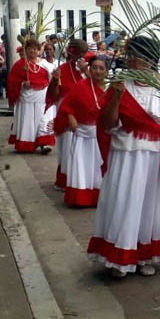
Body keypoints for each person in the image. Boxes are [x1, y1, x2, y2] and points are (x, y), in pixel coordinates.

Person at [87, 36, 160, 278]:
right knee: (124, 202)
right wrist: (116, 98)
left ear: (152, 60)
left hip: (158, 157)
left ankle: (146, 255)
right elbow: (109, 124)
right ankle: (119, 256)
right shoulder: (120, 84)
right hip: (127, 155)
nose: (132, 60)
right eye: (130, 55)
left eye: (139, 56)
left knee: (151, 207)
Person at [56, 56, 107, 207]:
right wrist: (71, 116)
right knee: (82, 167)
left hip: (102, 136)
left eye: (101, 68)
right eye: (94, 68)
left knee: (99, 167)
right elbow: (67, 105)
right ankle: (80, 197)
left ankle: (101, 196)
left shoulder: (111, 89)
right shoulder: (81, 86)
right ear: (89, 70)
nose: (97, 71)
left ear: (106, 71)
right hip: (83, 135)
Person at [7, 38, 59, 153]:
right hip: (26, 98)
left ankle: (43, 143)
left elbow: (52, 79)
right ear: (25, 50)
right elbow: (12, 82)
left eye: (35, 49)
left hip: (42, 97)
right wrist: (22, 84)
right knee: (28, 119)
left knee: (43, 119)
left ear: (39, 50)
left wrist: (56, 77)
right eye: (29, 49)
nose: (32, 51)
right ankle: (25, 143)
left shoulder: (45, 64)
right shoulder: (20, 64)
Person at [52, 39, 89, 190]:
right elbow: (55, 95)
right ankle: (65, 180)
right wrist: (55, 80)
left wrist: (86, 71)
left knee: (83, 150)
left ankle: (82, 181)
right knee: (67, 147)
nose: (81, 57)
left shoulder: (89, 69)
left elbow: (98, 89)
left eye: (83, 54)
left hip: (85, 114)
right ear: (71, 53)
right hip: (66, 112)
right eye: (79, 53)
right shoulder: (62, 69)